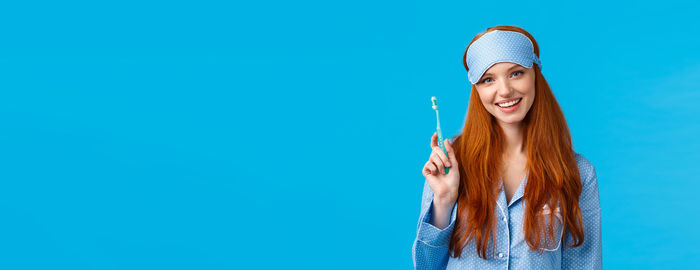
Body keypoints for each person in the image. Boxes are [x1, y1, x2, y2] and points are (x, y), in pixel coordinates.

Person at [411, 25, 602, 269]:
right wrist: (444, 201)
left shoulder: (578, 172)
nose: (504, 90)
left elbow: (585, 263)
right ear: (477, 90)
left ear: (535, 75)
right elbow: (426, 265)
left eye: (516, 73)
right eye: (488, 79)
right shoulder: (452, 163)